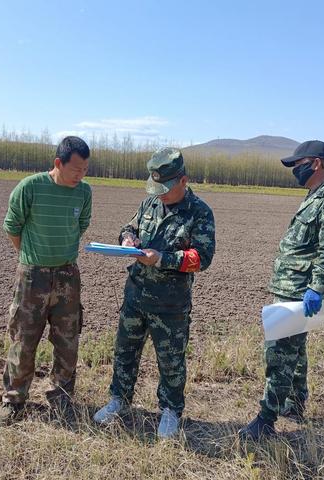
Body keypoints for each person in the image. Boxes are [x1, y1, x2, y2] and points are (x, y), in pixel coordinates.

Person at [93, 147, 216, 438]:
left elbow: (202, 257)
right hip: (135, 295)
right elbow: (129, 226)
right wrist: (127, 238)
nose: (160, 194)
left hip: (170, 305)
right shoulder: (150, 203)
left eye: (166, 188)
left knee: (171, 362)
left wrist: (162, 258)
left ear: (183, 181)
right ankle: (119, 400)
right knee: (125, 352)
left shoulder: (199, 213)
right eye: (156, 187)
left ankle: (171, 411)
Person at [239, 140, 324, 440]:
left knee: (278, 351)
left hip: (302, 289)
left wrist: (317, 287)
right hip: (292, 286)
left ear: (316, 163)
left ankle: (265, 420)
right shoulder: (315, 196)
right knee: (295, 349)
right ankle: (295, 402)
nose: (294, 170)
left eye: (297, 164)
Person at [0, 136, 92, 426]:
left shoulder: (84, 193)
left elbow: (80, 225)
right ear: (58, 163)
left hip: (67, 275)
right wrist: (30, 258)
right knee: (23, 340)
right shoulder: (30, 187)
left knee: (67, 341)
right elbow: (12, 227)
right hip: (32, 275)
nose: (81, 175)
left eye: (85, 169)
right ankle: (14, 401)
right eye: (76, 169)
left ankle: (61, 398)